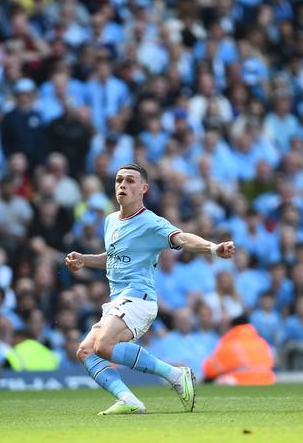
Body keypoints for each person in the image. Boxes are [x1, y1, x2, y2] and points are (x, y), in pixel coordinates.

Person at [65, 163, 235, 415]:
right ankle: (128, 400)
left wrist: (213, 248)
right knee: (86, 351)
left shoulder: (151, 222)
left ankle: (175, 374)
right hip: (118, 300)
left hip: (139, 298)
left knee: (103, 346)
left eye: (130, 181)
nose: (123, 184)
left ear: (144, 188)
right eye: (119, 180)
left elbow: (183, 238)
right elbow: (113, 257)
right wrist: (85, 260)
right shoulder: (111, 220)